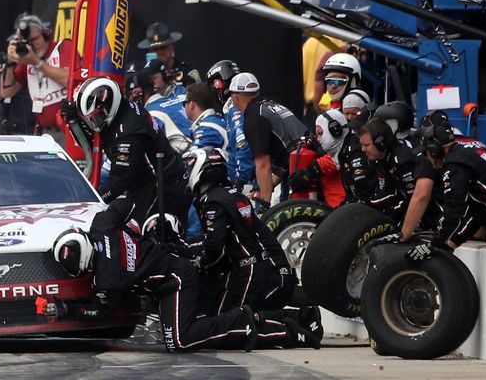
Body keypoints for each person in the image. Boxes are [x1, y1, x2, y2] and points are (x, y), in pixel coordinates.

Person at [74, 201, 317, 352]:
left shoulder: (107, 278)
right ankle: (299, 317)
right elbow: (126, 203)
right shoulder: (102, 224)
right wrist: (131, 234)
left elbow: (104, 312)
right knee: (202, 322)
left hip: (176, 279)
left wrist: (68, 309)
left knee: (180, 340)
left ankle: (262, 325)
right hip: (174, 273)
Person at [184, 147, 296, 316]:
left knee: (225, 324)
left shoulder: (213, 201)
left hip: (247, 271)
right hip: (262, 269)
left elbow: (215, 247)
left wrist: (199, 263)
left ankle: (300, 322)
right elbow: (262, 234)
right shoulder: (234, 195)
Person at [403, 117, 486, 250]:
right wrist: (452, 242)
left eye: (426, 154)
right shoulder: (465, 154)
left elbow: (454, 209)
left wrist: (435, 245)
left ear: (434, 150)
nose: (427, 159)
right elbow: (474, 213)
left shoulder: (455, 164)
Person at [76, 75, 187, 228]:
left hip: (161, 186)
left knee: (140, 235)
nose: (93, 124)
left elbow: (118, 182)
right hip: (148, 182)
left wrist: (91, 200)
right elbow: (96, 139)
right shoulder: (124, 109)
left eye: (96, 117)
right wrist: (75, 120)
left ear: (108, 106)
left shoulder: (129, 133)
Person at [227, 72, 303, 202]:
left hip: (300, 171)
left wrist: (265, 203)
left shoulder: (254, 117)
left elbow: (263, 164)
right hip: (306, 164)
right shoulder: (271, 104)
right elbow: (287, 149)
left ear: (235, 96)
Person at [9, 13, 73, 139]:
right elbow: (7, 91)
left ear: (45, 34)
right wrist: (9, 63)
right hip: (45, 133)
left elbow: (69, 80)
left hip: (69, 130)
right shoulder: (29, 59)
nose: (33, 45)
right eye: (28, 42)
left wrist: (37, 63)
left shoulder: (62, 47)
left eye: (35, 39)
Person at [347, 115, 420, 217]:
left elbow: (413, 200)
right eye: (362, 145)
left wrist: (387, 213)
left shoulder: (403, 161)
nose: (363, 149)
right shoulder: (379, 159)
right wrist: (364, 204)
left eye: (367, 145)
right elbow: (387, 191)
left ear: (381, 143)